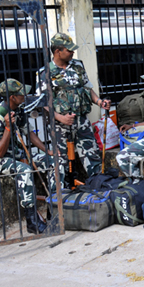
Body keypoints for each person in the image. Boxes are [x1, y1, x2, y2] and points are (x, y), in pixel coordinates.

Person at [0, 79, 63, 234]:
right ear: (12, 97)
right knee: (24, 171)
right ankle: (32, 221)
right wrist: (8, 128)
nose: (25, 95)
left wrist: (48, 151)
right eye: (21, 93)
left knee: (54, 162)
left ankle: (54, 211)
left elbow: (29, 133)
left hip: (17, 155)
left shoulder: (19, 110)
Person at [37, 33, 110, 179]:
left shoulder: (78, 65)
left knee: (91, 153)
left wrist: (99, 102)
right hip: (59, 125)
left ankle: (98, 184)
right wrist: (60, 118)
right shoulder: (45, 72)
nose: (72, 52)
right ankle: (60, 193)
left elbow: (88, 88)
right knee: (60, 160)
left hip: (81, 120)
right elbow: (43, 102)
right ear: (58, 51)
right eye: (69, 50)